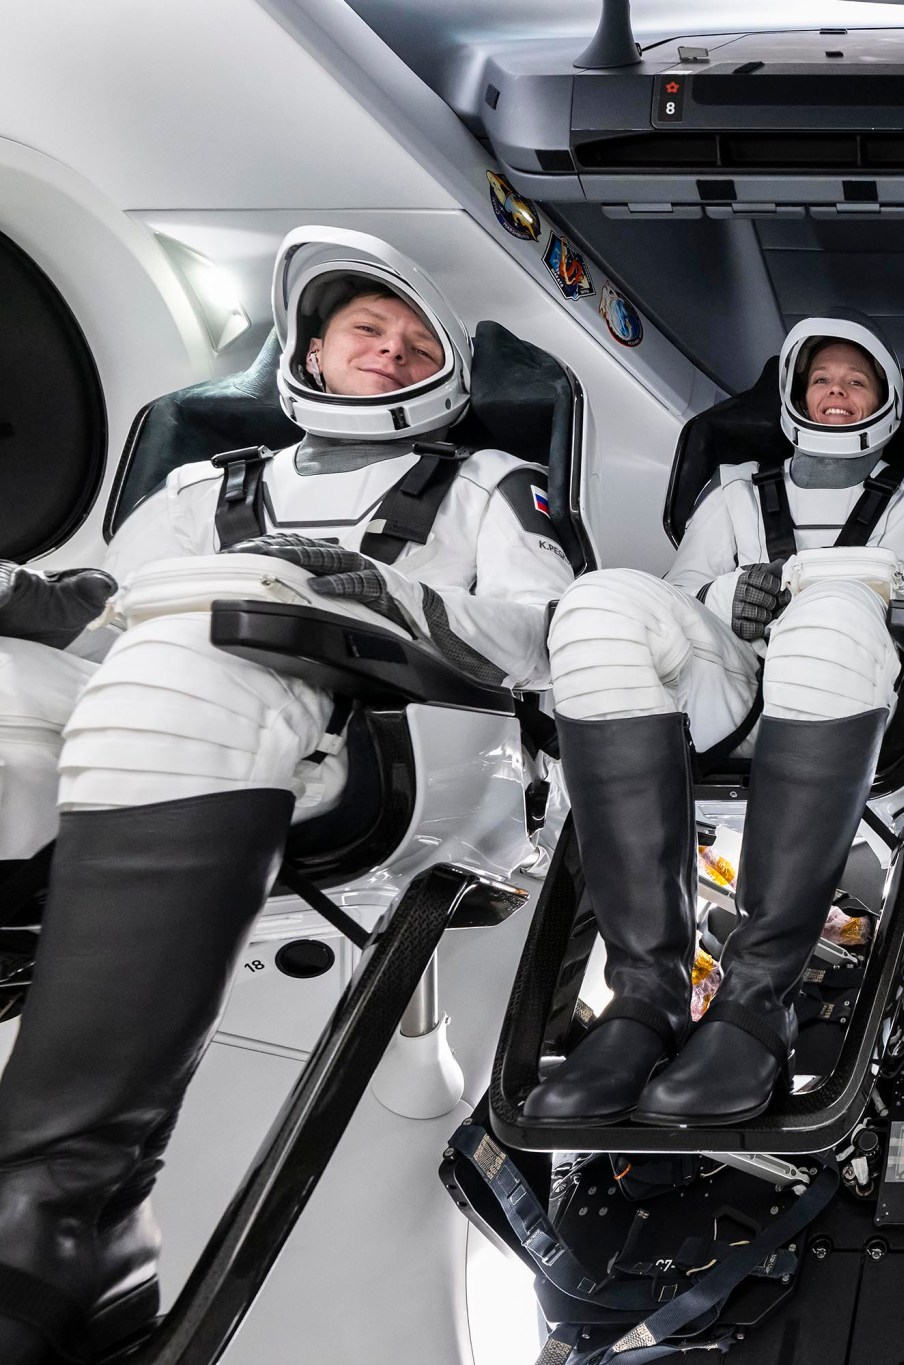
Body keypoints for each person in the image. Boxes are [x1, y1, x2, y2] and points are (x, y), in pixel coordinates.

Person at [0, 228, 573, 1362]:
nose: (393, 351)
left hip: (412, 737)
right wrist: (39, 601)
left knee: (197, 665)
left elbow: (544, 629)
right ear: (312, 348)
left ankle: (77, 1203)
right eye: (369, 331)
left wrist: (394, 597)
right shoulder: (199, 485)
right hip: (173, 687)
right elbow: (109, 606)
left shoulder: (490, 486)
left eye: (415, 341)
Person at [529, 313, 904, 1129]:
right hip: (735, 697)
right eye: (821, 380)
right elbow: (676, 597)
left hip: (860, 696)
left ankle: (755, 1004)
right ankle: (644, 1000)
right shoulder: (735, 493)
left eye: (855, 382)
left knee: (832, 608)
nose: (836, 393)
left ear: (884, 404)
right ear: (794, 397)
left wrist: (885, 606)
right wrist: (721, 597)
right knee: (600, 603)